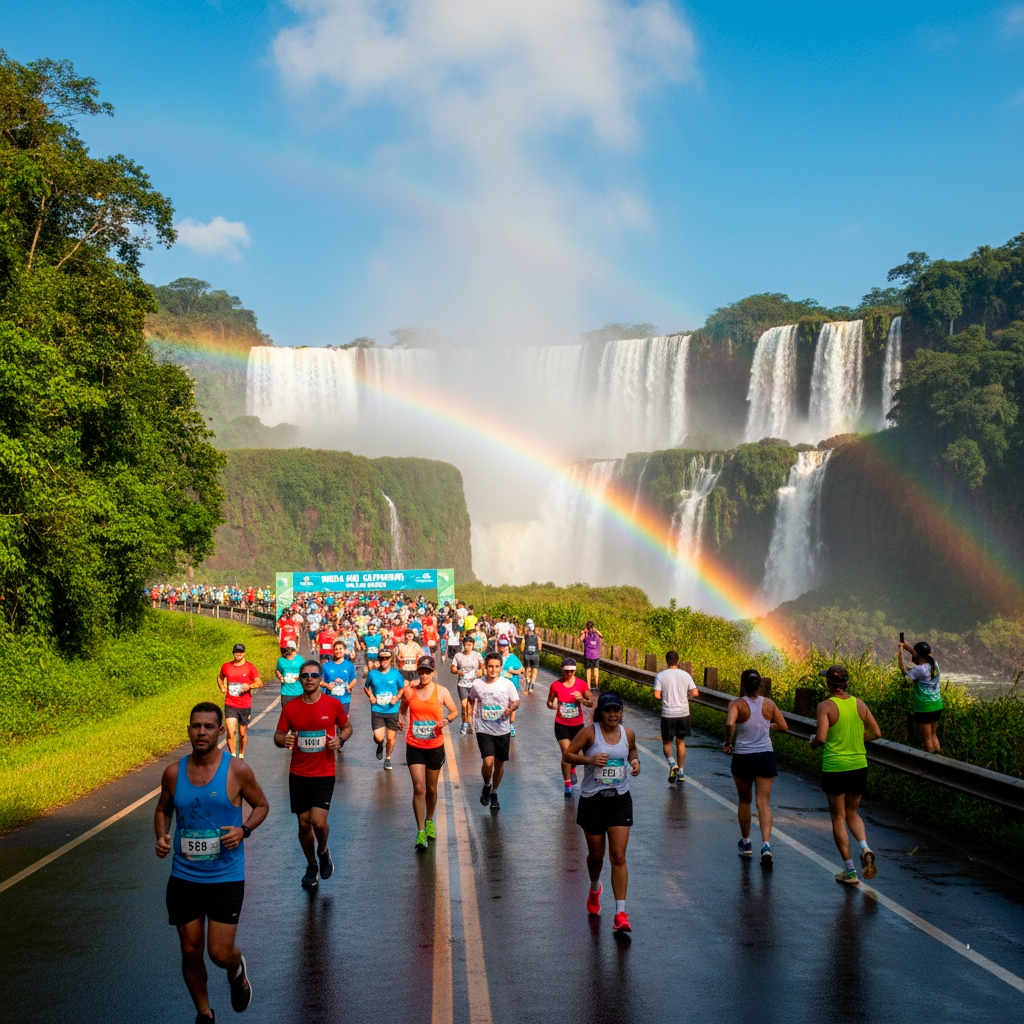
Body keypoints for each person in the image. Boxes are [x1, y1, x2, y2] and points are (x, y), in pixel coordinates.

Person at [155, 702, 270, 1021]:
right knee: (190, 949)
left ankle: (236, 968)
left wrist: (244, 830)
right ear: (189, 730)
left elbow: (262, 805)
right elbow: (163, 810)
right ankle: (204, 1013)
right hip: (184, 876)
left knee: (219, 953)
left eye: (208, 726)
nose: (201, 732)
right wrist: (162, 835)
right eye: (196, 726)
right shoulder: (173, 773)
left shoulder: (237, 770)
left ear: (220, 731)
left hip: (225, 877)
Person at [563, 691, 640, 934]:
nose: (613, 714)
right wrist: (591, 760)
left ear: (621, 712)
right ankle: (595, 887)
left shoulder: (628, 734)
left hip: (620, 799)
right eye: (608, 710)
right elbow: (568, 755)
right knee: (596, 856)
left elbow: (632, 750)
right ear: (600, 713)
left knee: (618, 855)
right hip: (593, 800)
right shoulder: (589, 733)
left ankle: (620, 914)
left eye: (616, 710)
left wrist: (635, 762)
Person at [273, 660, 352, 888]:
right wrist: (284, 740)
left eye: (314, 675)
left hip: (324, 772)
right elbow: (278, 735)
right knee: (303, 824)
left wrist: (340, 739)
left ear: (320, 679)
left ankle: (323, 850)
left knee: (318, 822)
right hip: (298, 773)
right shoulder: (291, 708)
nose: (309, 679)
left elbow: (347, 727)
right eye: (305, 675)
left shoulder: (332, 704)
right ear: (300, 679)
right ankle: (311, 865)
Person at [809, 665, 882, 885]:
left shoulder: (825, 706)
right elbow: (876, 733)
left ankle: (850, 871)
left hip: (836, 767)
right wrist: (858, 738)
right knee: (852, 812)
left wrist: (813, 742)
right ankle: (865, 847)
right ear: (846, 684)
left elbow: (822, 737)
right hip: (859, 765)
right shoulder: (859, 704)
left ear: (828, 684)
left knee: (838, 817)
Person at [722, 669, 788, 864]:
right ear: (760, 685)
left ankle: (746, 842)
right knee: (763, 802)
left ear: (742, 684)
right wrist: (765, 726)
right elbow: (783, 726)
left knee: (745, 801)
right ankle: (766, 845)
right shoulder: (769, 704)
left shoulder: (736, 704)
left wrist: (728, 742)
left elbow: (729, 723)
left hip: (744, 756)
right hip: (765, 756)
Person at [398, 654, 459, 850]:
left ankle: (430, 819)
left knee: (431, 789)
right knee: (419, 788)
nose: (424, 675)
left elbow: (454, 711)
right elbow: (403, 708)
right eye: (421, 671)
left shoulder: (441, 691)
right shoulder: (410, 691)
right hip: (414, 745)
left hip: (434, 746)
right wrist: (402, 719)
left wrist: (446, 720)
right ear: (418, 672)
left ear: (433, 672)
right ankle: (420, 831)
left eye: (428, 672)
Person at [469, 652, 521, 812]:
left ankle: (494, 792)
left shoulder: (507, 684)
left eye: (496, 667)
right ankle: (487, 784)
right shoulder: (477, 684)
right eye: (490, 666)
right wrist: (470, 715)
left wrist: (511, 708)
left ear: (500, 667)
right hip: (483, 728)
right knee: (488, 762)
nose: (493, 670)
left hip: (502, 730)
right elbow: (471, 699)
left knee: (499, 764)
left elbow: (516, 701)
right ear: (486, 666)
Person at [546, 657, 592, 796]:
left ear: (575, 671)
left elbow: (590, 703)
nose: (569, 674)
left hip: (577, 726)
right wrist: (552, 705)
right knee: (566, 753)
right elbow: (549, 702)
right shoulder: (555, 685)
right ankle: (567, 784)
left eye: (572, 671)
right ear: (562, 670)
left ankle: (572, 768)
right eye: (566, 671)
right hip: (561, 724)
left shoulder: (582, 685)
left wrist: (581, 699)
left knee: (577, 755)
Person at [653, 651, 699, 784]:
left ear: (666, 661)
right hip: (683, 713)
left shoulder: (661, 675)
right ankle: (682, 772)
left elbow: (657, 695)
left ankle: (673, 764)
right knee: (681, 741)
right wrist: (685, 696)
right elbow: (695, 692)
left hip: (668, 714)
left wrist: (666, 696)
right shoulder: (686, 675)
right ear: (678, 661)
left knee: (667, 742)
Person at [217, 644, 264, 760]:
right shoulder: (226, 666)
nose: (238, 654)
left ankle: (241, 754)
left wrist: (249, 686)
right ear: (233, 653)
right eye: (236, 652)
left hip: (244, 704)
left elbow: (259, 683)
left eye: (240, 652)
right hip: (230, 703)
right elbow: (220, 677)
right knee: (230, 732)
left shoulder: (250, 667)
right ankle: (233, 756)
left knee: (242, 733)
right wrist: (222, 687)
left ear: (244, 653)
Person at [899, 639, 942, 753]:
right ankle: (939, 760)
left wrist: (900, 650)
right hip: (937, 705)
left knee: (926, 739)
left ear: (917, 654)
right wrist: (909, 648)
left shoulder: (919, 670)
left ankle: (929, 763)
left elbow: (903, 670)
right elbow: (919, 657)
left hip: (924, 707)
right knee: (933, 735)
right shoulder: (934, 664)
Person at [364, 648, 404, 769]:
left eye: (386, 658)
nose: (384, 660)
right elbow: (366, 687)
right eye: (381, 658)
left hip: (392, 710)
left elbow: (402, 688)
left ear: (391, 659)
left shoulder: (396, 674)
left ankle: (388, 759)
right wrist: (371, 696)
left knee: (391, 738)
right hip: (377, 710)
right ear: (378, 659)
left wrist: (397, 698)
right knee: (379, 737)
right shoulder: (373, 674)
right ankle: (380, 744)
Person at [451, 635, 484, 736]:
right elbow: (452, 668)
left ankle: (470, 724)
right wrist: (457, 671)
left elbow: (482, 665)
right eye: (466, 644)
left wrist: (481, 670)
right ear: (463, 645)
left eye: (470, 644)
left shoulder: (477, 655)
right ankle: (464, 723)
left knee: (470, 707)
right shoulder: (458, 656)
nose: (468, 646)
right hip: (462, 684)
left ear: (473, 645)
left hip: (473, 684)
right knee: (464, 705)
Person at [321, 639, 357, 723]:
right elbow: (319, 681)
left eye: (340, 649)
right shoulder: (326, 666)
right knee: (332, 722)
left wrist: (350, 686)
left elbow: (354, 679)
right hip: (330, 699)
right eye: (336, 649)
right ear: (333, 651)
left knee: (342, 723)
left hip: (345, 699)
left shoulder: (349, 665)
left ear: (344, 650)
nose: (338, 651)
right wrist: (326, 685)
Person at [498, 638, 524, 737]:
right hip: (500, 686)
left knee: (511, 706)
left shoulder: (513, 658)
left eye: (504, 646)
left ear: (507, 646)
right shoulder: (497, 658)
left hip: (512, 685)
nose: (502, 648)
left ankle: (510, 724)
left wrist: (514, 671)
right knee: (501, 706)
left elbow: (522, 670)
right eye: (501, 645)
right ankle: (502, 725)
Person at [275, 640, 305, 706]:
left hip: (298, 692)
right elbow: (278, 670)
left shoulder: (301, 660)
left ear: (295, 650)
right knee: (286, 712)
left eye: (292, 650)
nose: (290, 653)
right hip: (285, 692)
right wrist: (280, 677)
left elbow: (306, 673)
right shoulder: (281, 660)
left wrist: (298, 678)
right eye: (288, 650)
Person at [578, 620, 603, 693]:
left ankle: (588, 686)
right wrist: (596, 630)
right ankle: (596, 686)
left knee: (588, 670)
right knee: (596, 670)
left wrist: (582, 632)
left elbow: (579, 640)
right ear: (593, 626)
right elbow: (602, 635)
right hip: (596, 654)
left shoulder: (585, 634)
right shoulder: (597, 634)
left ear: (586, 626)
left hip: (588, 654)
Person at [520, 619, 542, 693]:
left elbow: (522, 648)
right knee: (535, 670)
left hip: (527, 656)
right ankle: (532, 686)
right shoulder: (538, 638)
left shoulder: (525, 637)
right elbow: (540, 648)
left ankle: (528, 682)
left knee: (527, 670)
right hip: (535, 656)